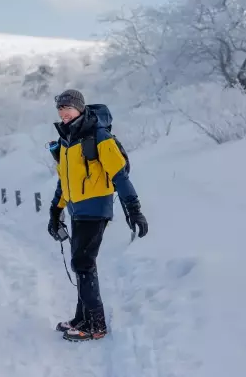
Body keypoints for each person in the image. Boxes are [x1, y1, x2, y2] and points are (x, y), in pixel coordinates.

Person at [47, 89, 148, 342]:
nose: (64, 113)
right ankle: (81, 319)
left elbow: (119, 175)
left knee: (83, 263)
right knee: (80, 264)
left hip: (95, 209)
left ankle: (96, 325)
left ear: (80, 108)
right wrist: (55, 211)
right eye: (60, 109)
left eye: (68, 108)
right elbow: (64, 181)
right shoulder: (66, 139)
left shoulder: (99, 135)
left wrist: (134, 209)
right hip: (77, 210)